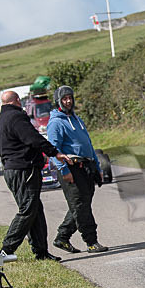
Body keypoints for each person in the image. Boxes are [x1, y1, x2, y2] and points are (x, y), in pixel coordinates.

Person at [0, 90, 72, 261]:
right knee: (28, 209)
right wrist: (54, 152)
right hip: (24, 169)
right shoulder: (16, 118)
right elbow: (33, 138)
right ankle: (6, 250)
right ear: (16, 101)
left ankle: (41, 252)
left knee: (35, 210)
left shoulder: (0, 121)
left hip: (12, 169)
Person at [46, 85, 108, 254]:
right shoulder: (56, 123)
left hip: (86, 167)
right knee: (80, 206)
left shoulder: (77, 119)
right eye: (64, 99)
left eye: (70, 98)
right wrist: (64, 170)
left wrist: (97, 166)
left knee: (81, 205)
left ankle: (62, 237)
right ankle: (91, 242)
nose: (68, 101)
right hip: (71, 168)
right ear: (58, 101)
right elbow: (53, 150)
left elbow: (89, 144)